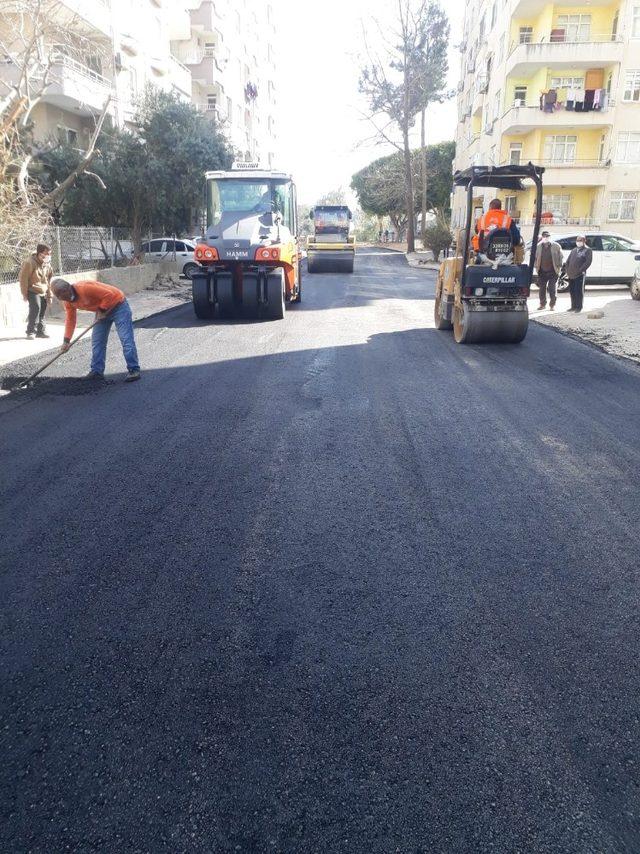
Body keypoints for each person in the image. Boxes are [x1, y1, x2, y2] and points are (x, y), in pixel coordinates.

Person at [51, 279, 141, 382]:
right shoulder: (67, 302)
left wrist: (102, 310)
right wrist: (66, 341)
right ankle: (97, 372)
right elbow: (70, 320)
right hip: (101, 311)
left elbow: (109, 294)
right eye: (59, 297)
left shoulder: (84, 288)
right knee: (97, 341)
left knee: (126, 338)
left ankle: (134, 370)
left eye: (62, 296)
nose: (62, 299)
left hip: (118, 306)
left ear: (67, 289)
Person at [19, 243, 53, 340]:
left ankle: (40, 331)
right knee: (36, 308)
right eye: (47, 254)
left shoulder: (47, 264)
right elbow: (23, 279)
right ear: (40, 253)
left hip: (43, 289)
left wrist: (50, 295)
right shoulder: (29, 263)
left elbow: (49, 280)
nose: (48, 256)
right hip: (32, 289)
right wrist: (24, 294)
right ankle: (30, 331)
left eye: (50, 254)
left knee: (42, 309)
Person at [534, 230, 563, 311]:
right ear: (542, 237)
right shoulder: (538, 246)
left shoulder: (556, 246)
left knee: (552, 289)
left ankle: (552, 305)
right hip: (542, 271)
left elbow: (561, 257)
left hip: (553, 271)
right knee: (542, 289)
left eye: (547, 236)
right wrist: (536, 266)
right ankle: (542, 304)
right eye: (544, 236)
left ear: (550, 237)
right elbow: (535, 258)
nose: (546, 238)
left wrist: (559, 268)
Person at [565, 236, 593, 313]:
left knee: (579, 291)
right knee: (572, 291)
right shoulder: (574, 250)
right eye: (577, 240)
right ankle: (573, 306)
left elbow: (588, 262)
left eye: (580, 240)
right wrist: (567, 270)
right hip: (571, 274)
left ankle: (579, 307)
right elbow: (568, 261)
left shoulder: (587, 250)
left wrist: (580, 270)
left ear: (584, 241)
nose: (578, 242)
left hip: (580, 274)